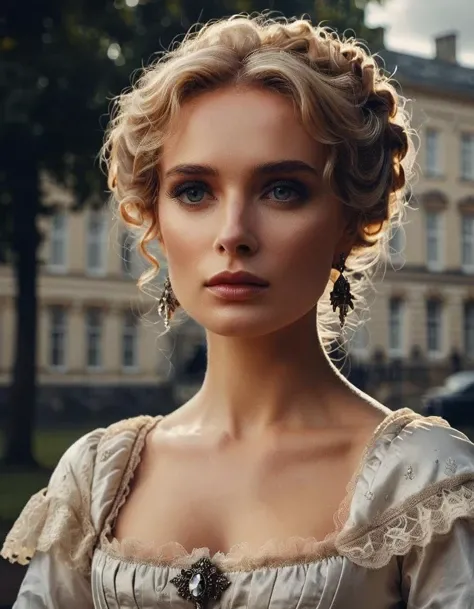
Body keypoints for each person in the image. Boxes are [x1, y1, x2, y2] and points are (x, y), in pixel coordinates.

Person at [3, 13, 474, 609]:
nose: (234, 234)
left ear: (352, 219)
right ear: (154, 218)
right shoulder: (95, 480)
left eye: (282, 189)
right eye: (194, 191)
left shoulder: (428, 485)